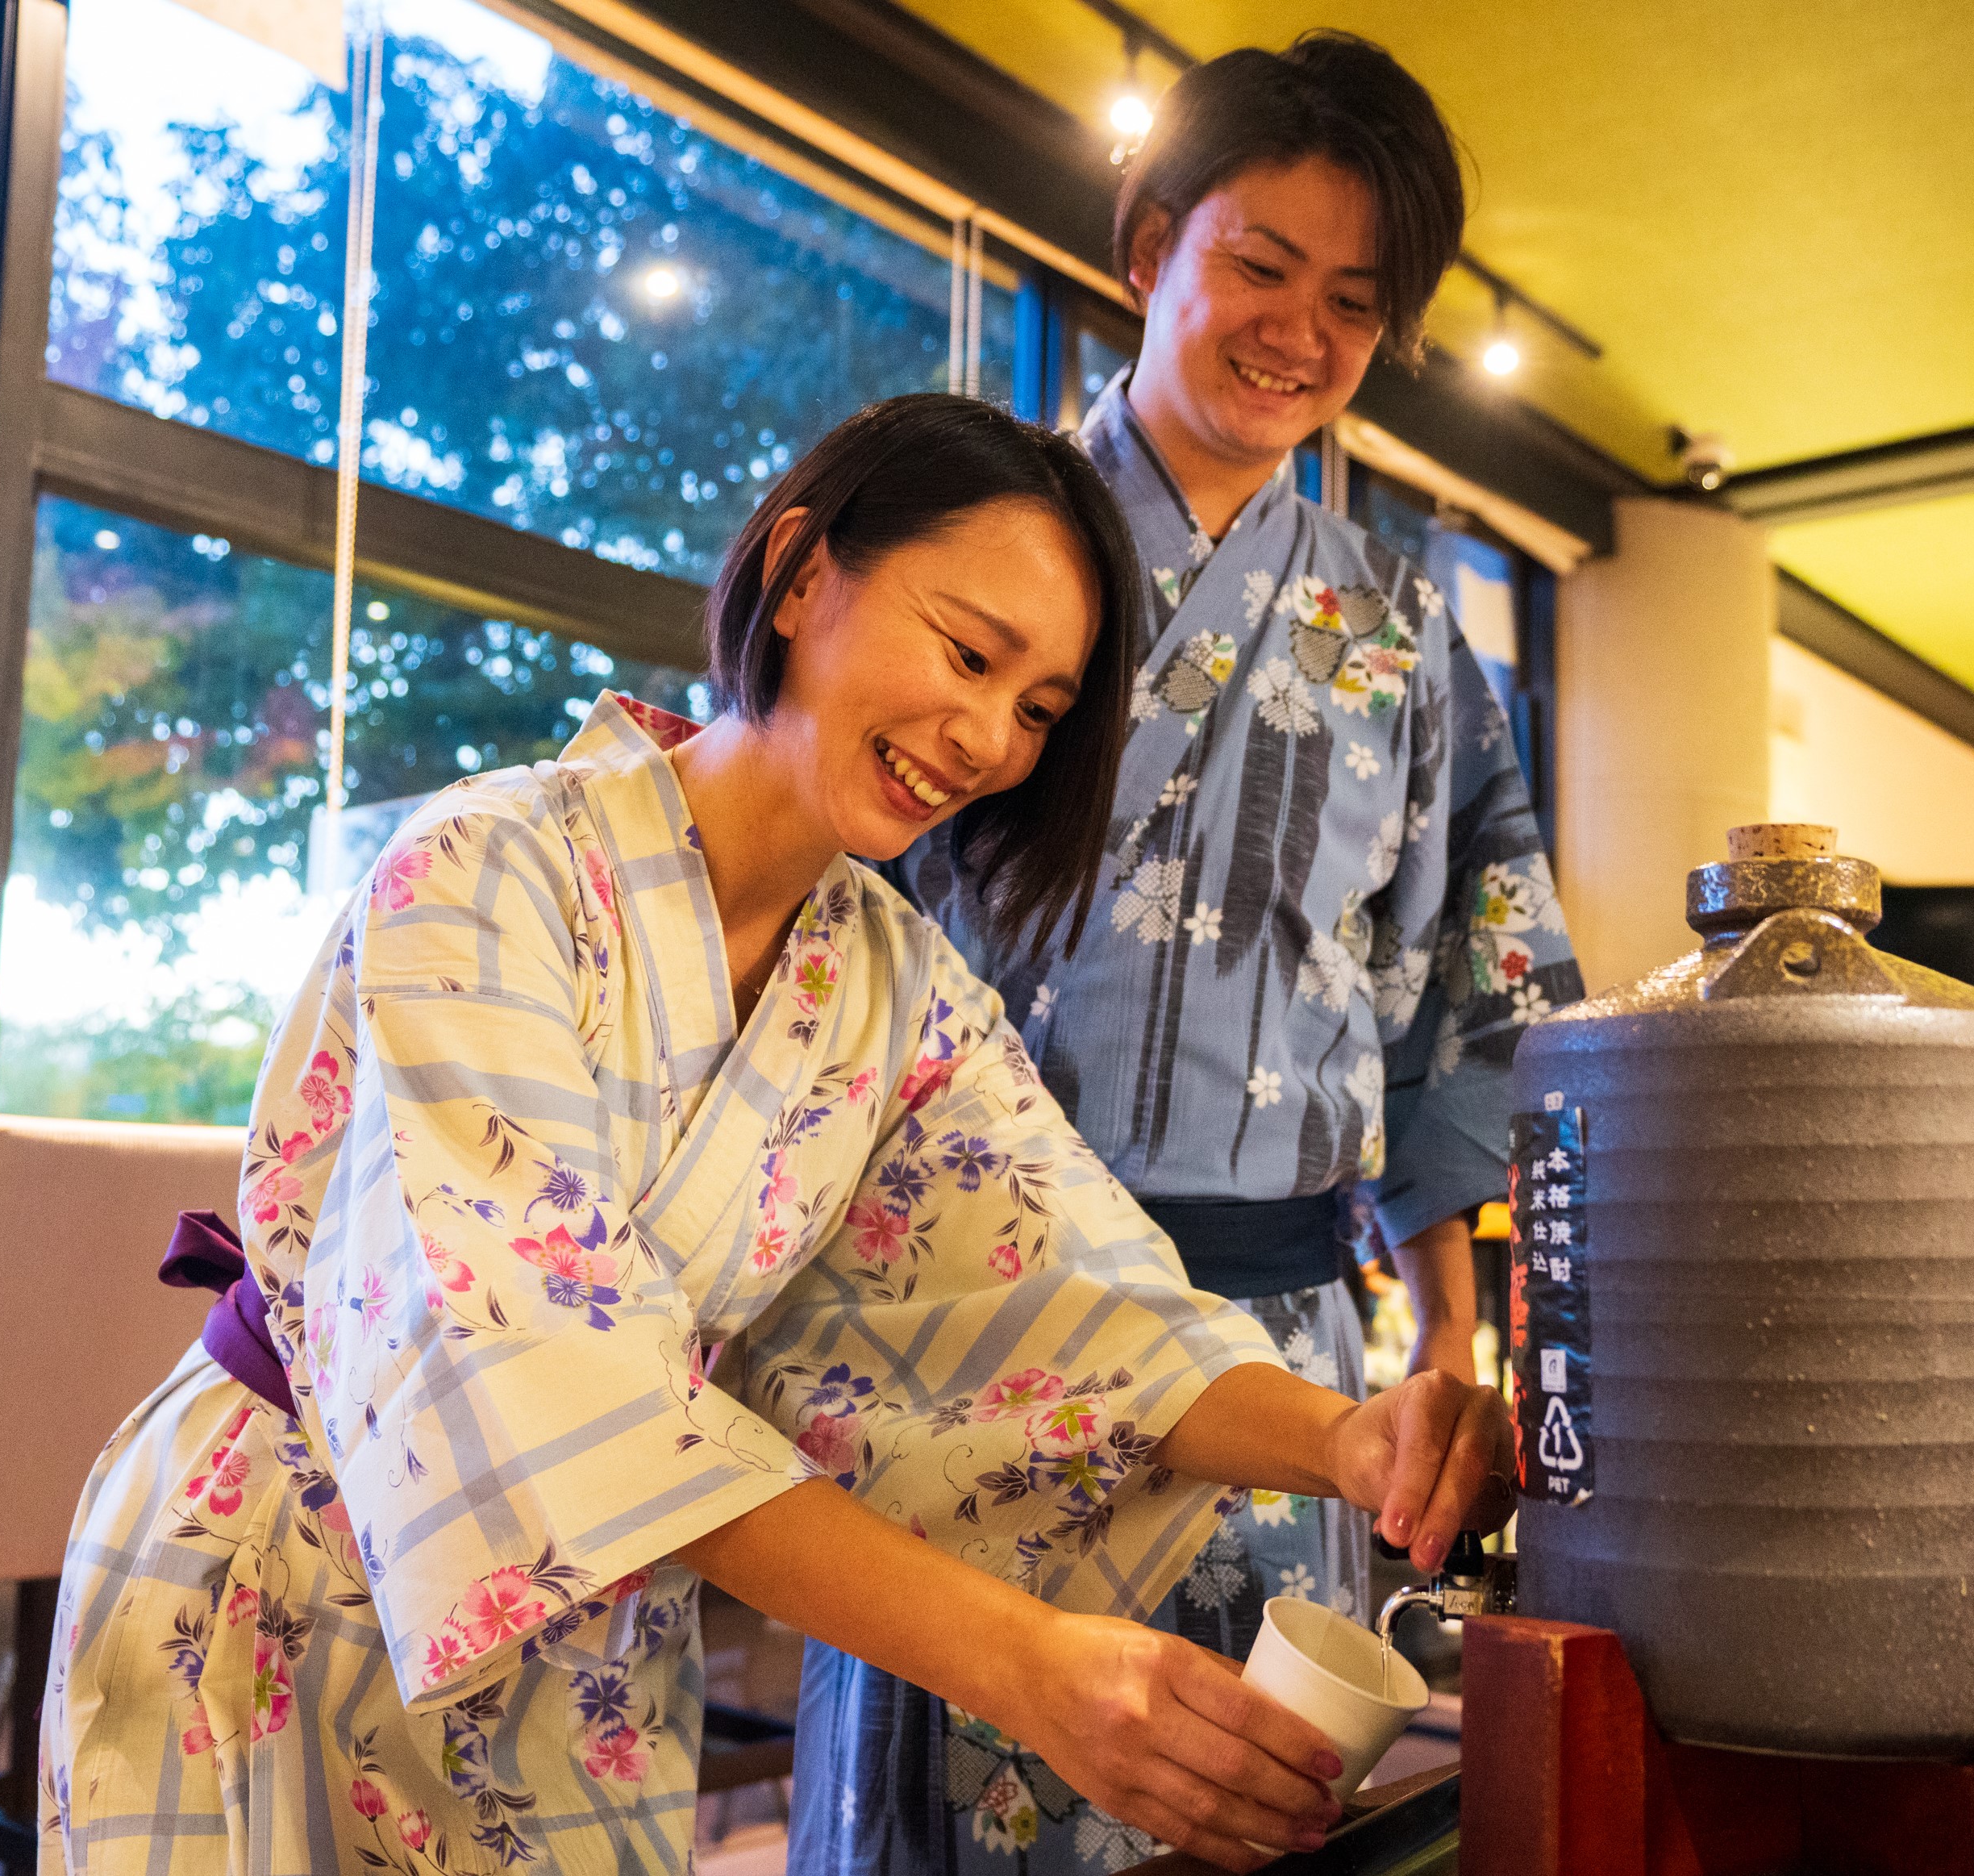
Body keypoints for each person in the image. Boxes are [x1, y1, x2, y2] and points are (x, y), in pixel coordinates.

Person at [38, 394, 1513, 1876]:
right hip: (290, 1573)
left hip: (583, 1651)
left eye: (1041, 709)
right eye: (968, 651)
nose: (989, 736)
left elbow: (1069, 1305)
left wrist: (1346, 1434)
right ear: (803, 575)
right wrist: (1026, 1668)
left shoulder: (893, 984)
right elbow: (548, 1365)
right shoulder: (488, 868)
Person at [793, 34, 1582, 1874]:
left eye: (1355, 302)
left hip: (1289, 1351)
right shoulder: (985, 550)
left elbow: (1459, 988)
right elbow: (819, 880)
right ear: (1151, 244)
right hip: (965, 1324)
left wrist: (1451, 1331)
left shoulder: (1409, 632)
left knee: (1241, 1801)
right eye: (1260, 266)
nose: (1299, 331)